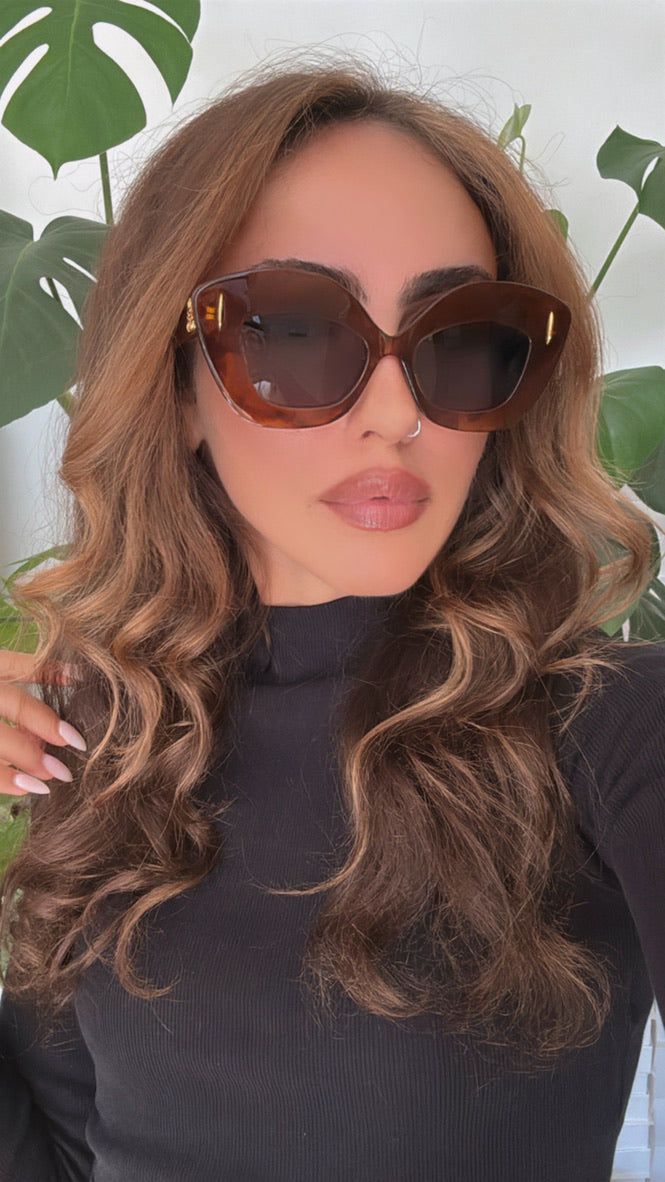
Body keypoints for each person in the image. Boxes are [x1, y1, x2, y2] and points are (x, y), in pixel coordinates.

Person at [0, 60, 663, 1182]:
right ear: (175, 383)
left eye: (462, 335)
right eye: (295, 332)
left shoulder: (603, 727)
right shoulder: (109, 730)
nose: (399, 414)